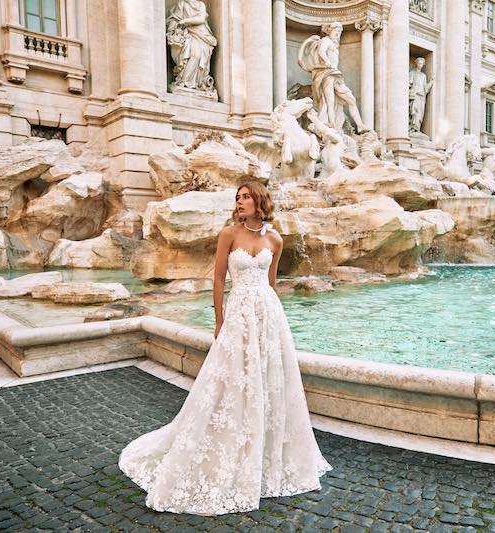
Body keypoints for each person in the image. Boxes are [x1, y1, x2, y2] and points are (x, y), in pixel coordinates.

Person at [119, 182, 331, 515]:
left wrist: (271, 315)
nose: (240, 201)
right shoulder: (228, 234)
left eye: (246, 197)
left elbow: (272, 283)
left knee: (268, 379)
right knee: (230, 379)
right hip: (238, 314)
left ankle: (264, 451)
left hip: (268, 315)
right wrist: (219, 319)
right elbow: (218, 278)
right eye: (238, 197)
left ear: (259, 201)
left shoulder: (275, 239)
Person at [298, 22, 369, 133]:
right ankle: (332, 125)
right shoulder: (325, 40)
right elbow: (321, 51)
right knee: (329, 101)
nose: (337, 34)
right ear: (330, 31)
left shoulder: (334, 44)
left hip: (335, 74)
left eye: (339, 33)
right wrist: (327, 62)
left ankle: (360, 125)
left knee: (351, 99)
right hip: (327, 73)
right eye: (336, 31)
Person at [166, 0, 217, 92]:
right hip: (187, 34)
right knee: (193, 55)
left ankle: (196, 82)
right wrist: (174, 28)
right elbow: (174, 19)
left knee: (197, 55)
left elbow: (201, 18)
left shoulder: (200, 5)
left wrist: (185, 21)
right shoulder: (182, 4)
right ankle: (184, 81)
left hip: (201, 34)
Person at [409, 57, 434, 133]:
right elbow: (408, 84)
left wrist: (431, 81)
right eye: (419, 63)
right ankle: (412, 128)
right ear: (416, 64)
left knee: (420, 113)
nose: (420, 65)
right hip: (415, 95)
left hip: (422, 96)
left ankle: (417, 128)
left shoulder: (423, 75)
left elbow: (425, 88)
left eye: (422, 64)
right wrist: (411, 92)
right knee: (414, 111)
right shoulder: (412, 73)